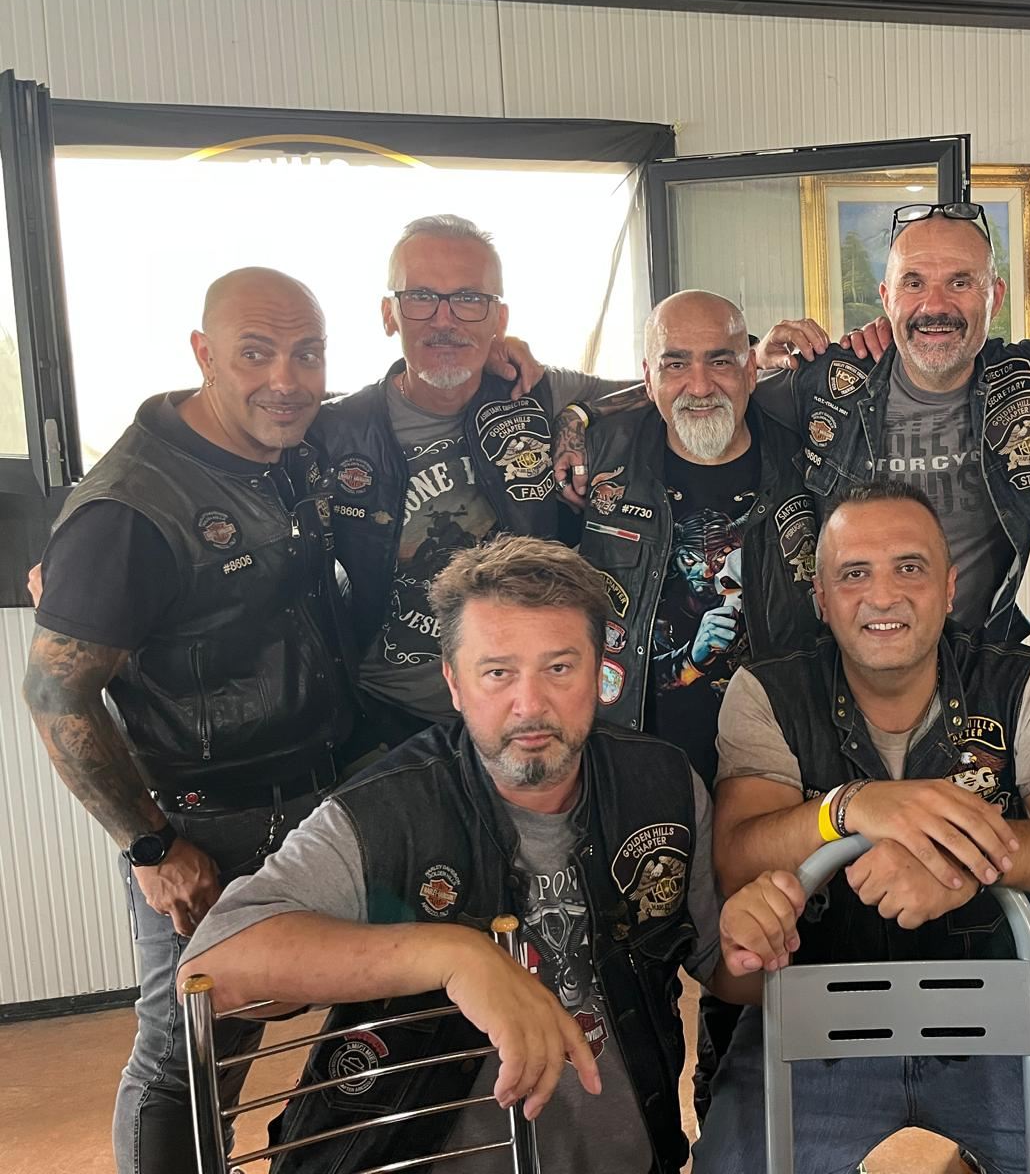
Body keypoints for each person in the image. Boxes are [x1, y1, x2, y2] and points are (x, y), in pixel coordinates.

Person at [179, 535, 809, 1174]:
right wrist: (456, 957)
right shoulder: (386, 810)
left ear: (601, 673)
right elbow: (213, 969)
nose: (529, 705)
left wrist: (752, 943)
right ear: (454, 683)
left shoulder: (662, 785)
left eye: (559, 668)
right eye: (497, 673)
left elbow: (724, 969)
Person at [551, 202, 1030, 641]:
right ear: (885, 298)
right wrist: (581, 416)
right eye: (915, 283)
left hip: (982, 662)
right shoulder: (823, 385)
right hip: (847, 664)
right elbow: (694, 380)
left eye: (961, 282)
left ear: (994, 298)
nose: (936, 305)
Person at [695, 479, 1030, 1174]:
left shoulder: (1024, 680)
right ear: (821, 598)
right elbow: (737, 858)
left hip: (991, 1012)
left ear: (950, 588)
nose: (883, 596)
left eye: (910, 568)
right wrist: (851, 807)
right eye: (854, 574)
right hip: (814, 1018)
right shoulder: (768, 689)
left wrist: (959, 861)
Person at [21, 268, 354, 1174]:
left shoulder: (289, 446)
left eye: (307, 354)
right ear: (203, 353)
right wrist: (151, 847)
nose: (286, 378)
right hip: (208, 822)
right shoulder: (131, 507)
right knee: (189, 1062)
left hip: (323, 793)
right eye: (256, 353)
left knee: (369, 1000)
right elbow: (55, 695)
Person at [577, 289, 822, 1118]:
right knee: (632, 969)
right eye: (675, 363)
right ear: (646, 376)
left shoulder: (808, 464)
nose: (700, 383)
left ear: (752, 367)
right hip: (636, 761)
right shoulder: (605, 456)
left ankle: (734, 1131)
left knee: (754, 964)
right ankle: (649, 1137)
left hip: (768, 765)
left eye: (721, 358)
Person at [311, 214, 613, 750]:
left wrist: (576, 418)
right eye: (421, 297)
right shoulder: (333, 431)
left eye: (469, 299)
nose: (444, 320)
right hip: (389, 718)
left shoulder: (537, 393)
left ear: (499, 317)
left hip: (530, 708)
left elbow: (667, 385)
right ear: (389, 314)